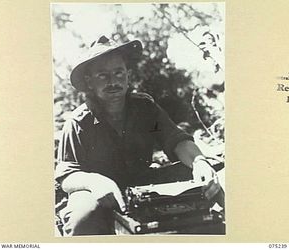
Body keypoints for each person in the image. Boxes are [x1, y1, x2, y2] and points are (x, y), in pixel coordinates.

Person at [55, 35, 222, 236]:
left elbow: (178, 141)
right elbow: (67, 175)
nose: (113, 81)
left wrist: (200, 162)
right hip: (96, 192)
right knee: (83, 218)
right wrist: (95, 182)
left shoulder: (145, 108)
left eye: (119, 73)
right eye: (102, 75)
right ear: (89, 83)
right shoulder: (78, 123)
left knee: (214, 181)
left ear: (128, 76)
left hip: (143, 183)